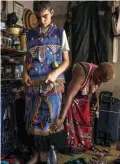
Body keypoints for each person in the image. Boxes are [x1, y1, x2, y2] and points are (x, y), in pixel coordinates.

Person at [23, 1, 69, 163]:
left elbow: (66, 61)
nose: (42, 20)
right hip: (34, 85)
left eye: (45, 16)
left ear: (52, 13)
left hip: (53, 86)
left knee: (51, 120)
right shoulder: (29, 35)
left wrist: (56, 73)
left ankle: (50, 155)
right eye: (38, 17)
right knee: (33, 119)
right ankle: (35, 154)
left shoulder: (60, 33)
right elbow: (27, 58)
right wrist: (24, 73)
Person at [53, 62, 115, 154]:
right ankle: (70, 145)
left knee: (85, 120)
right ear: (96, 70)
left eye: (102, 81)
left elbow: (95, 87)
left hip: (81, 97)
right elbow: (69, 96)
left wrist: (97, 100)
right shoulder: (81, 75)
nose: (99, 82)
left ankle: (83, 144)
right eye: (99, 79)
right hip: (68, 96)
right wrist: (61, 118)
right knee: (70, 116)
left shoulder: (99, 76)